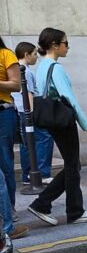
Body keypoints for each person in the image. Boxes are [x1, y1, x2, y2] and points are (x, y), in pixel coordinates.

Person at [27, 28, 87, 226]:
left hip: (51, 120)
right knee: (72, 165)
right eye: (65, 43)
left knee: (72, 165)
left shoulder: (42, 66)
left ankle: (43, 203)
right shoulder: (55, 68)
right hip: (63, 121)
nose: (68, 47)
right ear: (54, 45)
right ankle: (73, 211)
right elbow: (69, 99)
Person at [11, 42, 54, 184]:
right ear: (26, 55)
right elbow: (28, 94)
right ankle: (42, 173)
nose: (36, 57)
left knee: (26, 144)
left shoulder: (14, 69)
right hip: (27, 112)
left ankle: (27, 176)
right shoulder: (25, 71)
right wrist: (32, 114)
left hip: (18, 111)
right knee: (44, 137)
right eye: (34, 54)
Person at [0, 37, 29, 239]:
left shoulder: (6, 54)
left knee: (5, 164)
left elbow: (16, 85)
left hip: (3, 113)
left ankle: (9, 210)